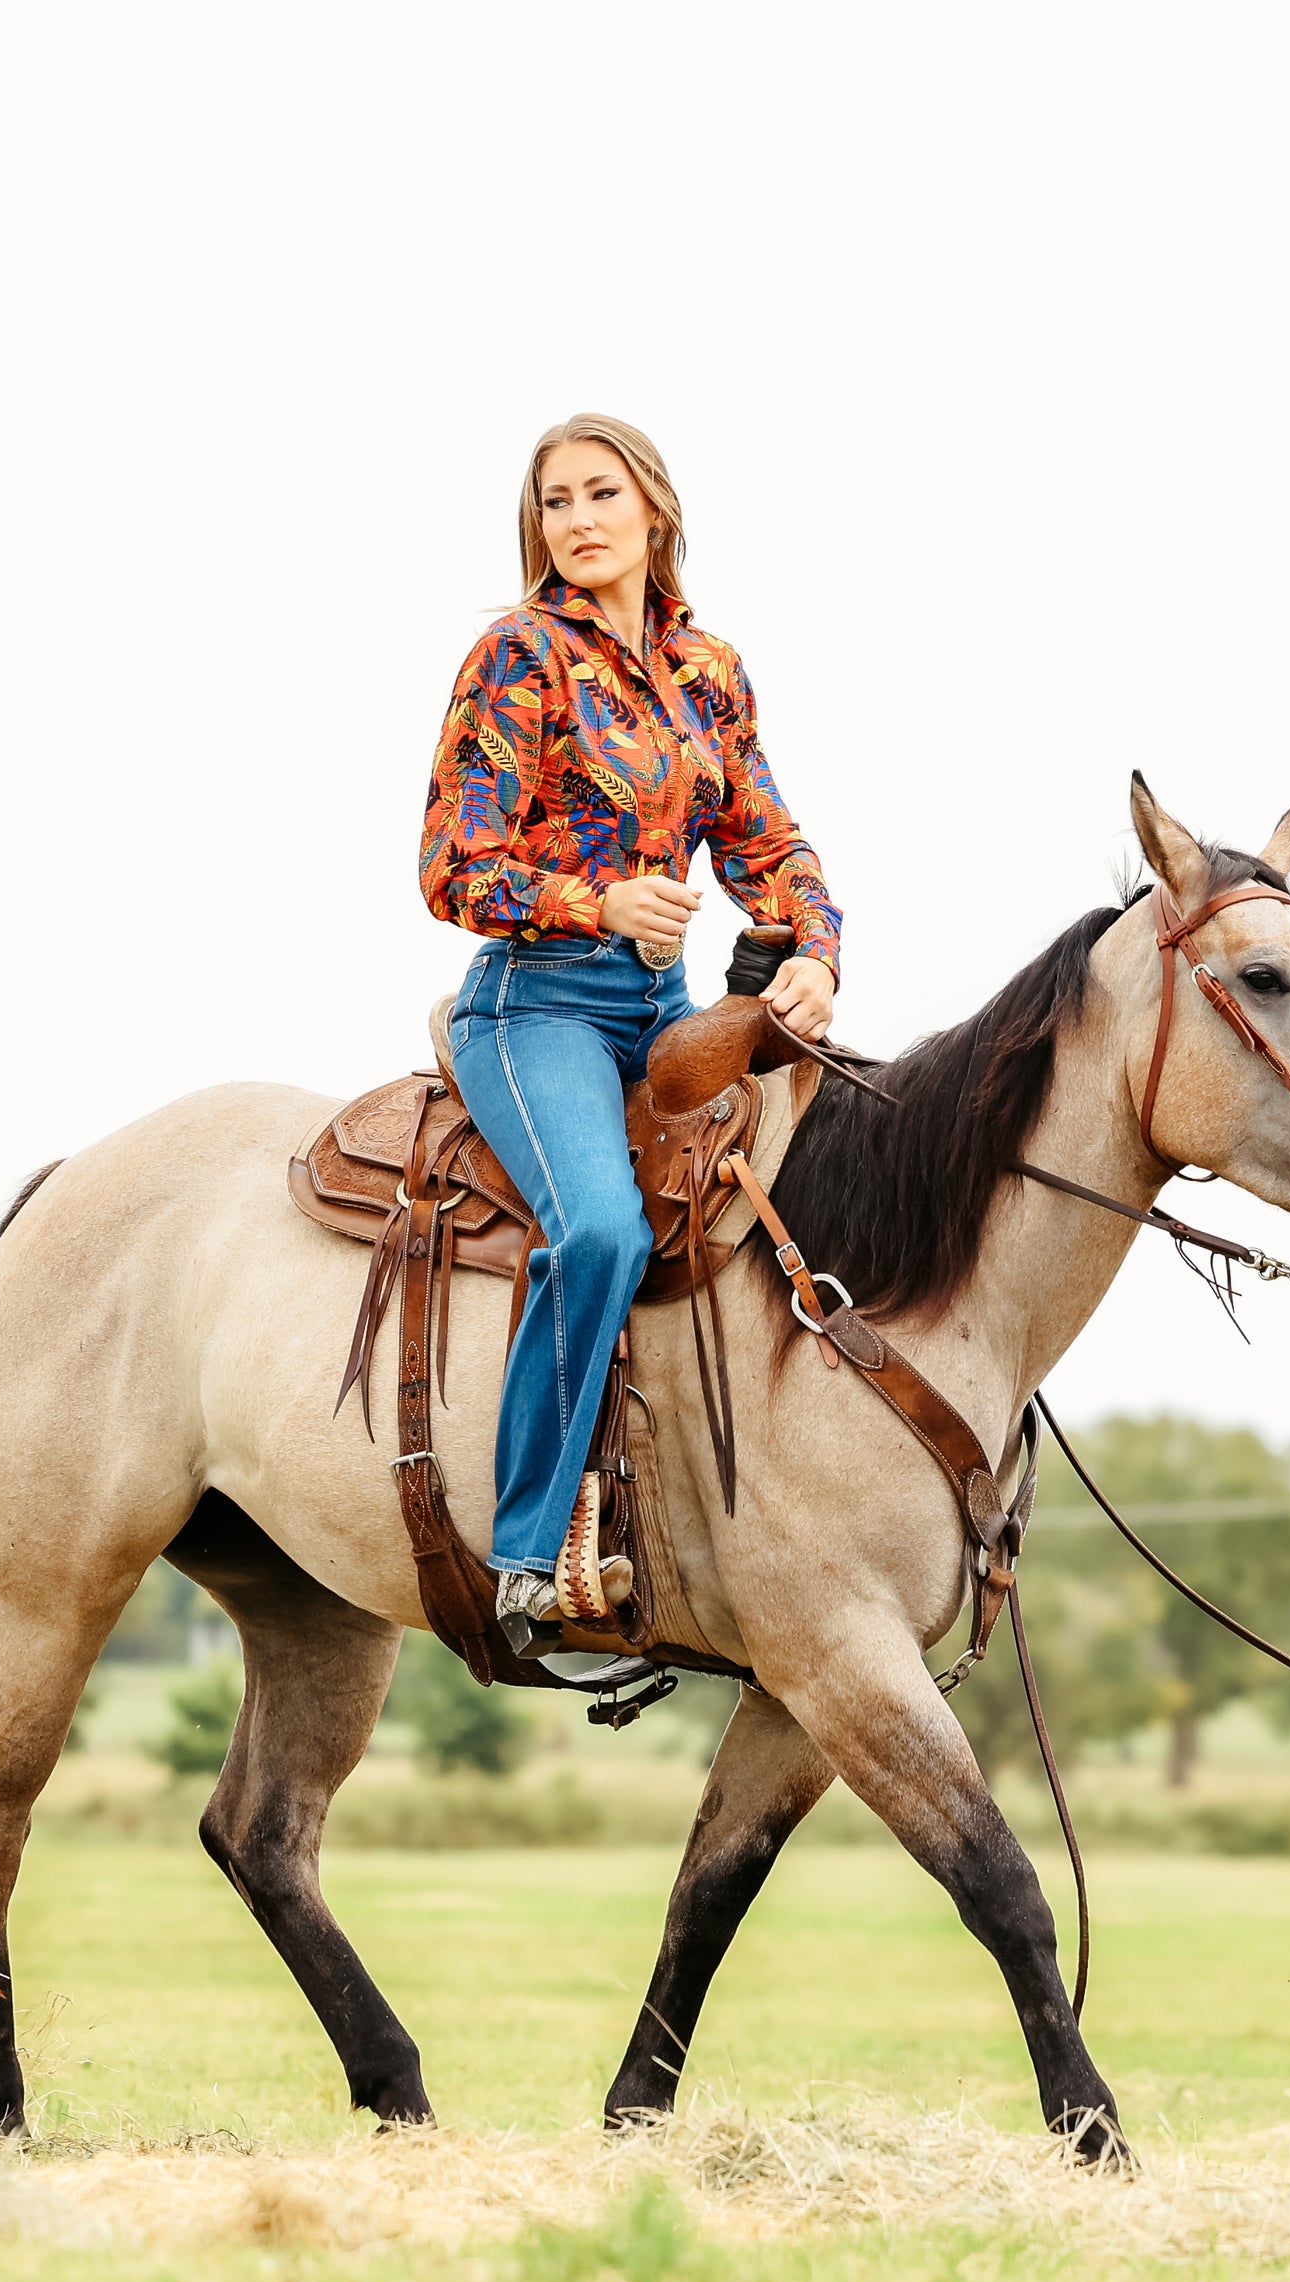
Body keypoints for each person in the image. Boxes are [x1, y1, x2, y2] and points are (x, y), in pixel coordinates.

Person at [418, 413, 845, 1652]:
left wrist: (813, 946)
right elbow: (452, 864)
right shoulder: (517, 656)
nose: (581, 519)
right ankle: (523, 1555)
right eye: (557, 502)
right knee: (599, 1226)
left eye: (602, 494)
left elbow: (768, 841)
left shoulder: (709, 669)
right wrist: (590, 900)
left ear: (653, 508)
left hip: (661, 1010)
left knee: (816, 1187)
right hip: (535, 1000)